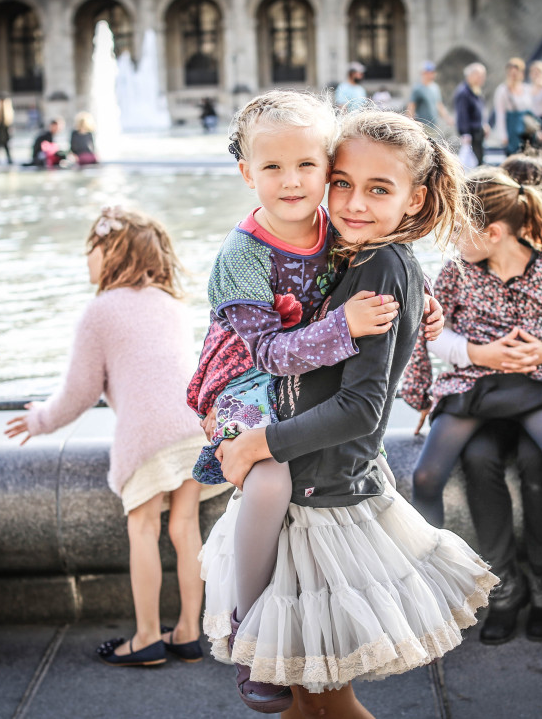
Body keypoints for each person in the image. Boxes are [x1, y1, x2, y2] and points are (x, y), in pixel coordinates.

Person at [204, 109, 497, 718]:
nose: (353, 202)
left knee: (329, 705)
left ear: (414, 199)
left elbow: (363, 407)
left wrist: (262, 443)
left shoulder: (381, 263)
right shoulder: (350, 252)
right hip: (308, 485)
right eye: (342, 182)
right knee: (307, 704)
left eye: (378, 189)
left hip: (324, 492)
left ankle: (244, 634)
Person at [188, 90, 427, 713]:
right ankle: (249, 629)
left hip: (313, 450)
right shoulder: (244, 253)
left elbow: (367, 391)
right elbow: (266, 354)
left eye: (309, 167)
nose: (293, 182)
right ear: (247, 173)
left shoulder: (349, 239)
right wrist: (343, 327)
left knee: (322, 703)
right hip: (242, 382)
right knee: (265, 486)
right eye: (272, 168)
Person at [4, 206, 230, 666]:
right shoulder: (170, 304)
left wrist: (39, 421)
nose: (87, 258)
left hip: (146, 434)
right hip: (194, 424)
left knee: (143, 526)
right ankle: (188, 632)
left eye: (90, 248)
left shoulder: (100, 311)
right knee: (185, 527)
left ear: (110, 252)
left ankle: (146, 636)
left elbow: (79, 393)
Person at [401, 167, 542, 631]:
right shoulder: (455, 273)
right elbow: (424, 329)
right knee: (427, 474)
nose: (451, 239)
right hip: (474, 384)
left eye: (458, 229)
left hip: (536, 383)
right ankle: (433, 587)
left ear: (492, 233)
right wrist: (418, 392)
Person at [426, 155, 542, 645]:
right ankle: (506, 587)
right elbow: (433, 336)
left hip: (535, 392)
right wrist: (478, 351)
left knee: (539, 466)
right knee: (479, 457)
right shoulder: (463, 266)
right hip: (483, 397)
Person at [492, 58, 540, 156]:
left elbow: (533, 111)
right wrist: (503, 136)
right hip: (512, 130)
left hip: (527, 130)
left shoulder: (526, 89)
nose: (513, 76)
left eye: (516, 73)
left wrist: (539, 130)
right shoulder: (503, 90)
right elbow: (500, 114)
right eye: (511, 74)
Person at [453, 62, 488, 167]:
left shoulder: (476, 90)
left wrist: (484, 124)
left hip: (478, 132)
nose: (482, 79)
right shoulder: (464, 92)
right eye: (479, 76)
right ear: (471, 75)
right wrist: (465, 133)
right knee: (474, 165)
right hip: (471, 134)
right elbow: (462, 114)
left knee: (480, 161)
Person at [406, 60, 453, 135]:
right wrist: (410, 124)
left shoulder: (435, 87)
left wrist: (447, 118)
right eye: (429, 72)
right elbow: (411, 107)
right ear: (423, 73)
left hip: (434, 125)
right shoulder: (418, 89)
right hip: (422, 126)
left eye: (433, 72)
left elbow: (439, 105)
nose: (432, 74)